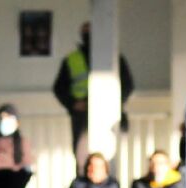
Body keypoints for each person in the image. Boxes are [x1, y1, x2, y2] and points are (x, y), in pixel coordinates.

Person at [54, 21, 134, 168]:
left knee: (110, 154)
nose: (88, 36)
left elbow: (128, 85)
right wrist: (73, 104)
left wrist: (114, 105)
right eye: (85, 33)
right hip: (82, 115)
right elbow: (59, 88)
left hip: (109, 114)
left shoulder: (114, 58)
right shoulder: (72, 59)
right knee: (82, 155)